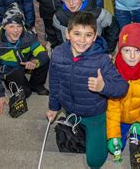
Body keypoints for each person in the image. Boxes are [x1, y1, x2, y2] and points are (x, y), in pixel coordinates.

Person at [46, 12, 129, 168]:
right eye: (77, 33)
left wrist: (103, 87)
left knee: (94, 162)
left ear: (95, 36)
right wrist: (53, 107)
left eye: (88, 35)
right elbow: (55, 82)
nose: (82, 40)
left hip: (94, 115)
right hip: (69, 110)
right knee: (69, 145)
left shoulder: (102, 60)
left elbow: (122, 87)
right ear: (67, 34)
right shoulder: (57, 53)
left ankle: (102, 132)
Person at [0, 3, 50, 115]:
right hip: (10, 69)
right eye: (11, 26)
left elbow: (42, 53)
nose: (16, 30)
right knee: (26, 93)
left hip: (25, 62)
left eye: (19, 26)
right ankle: (15, 82)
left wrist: (35, 61)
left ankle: (37, 84)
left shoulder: (29, 36)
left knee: (44, 60)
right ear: (4, 26)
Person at [106, 23, 140, 154]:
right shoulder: (112, 70)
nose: (132, 56)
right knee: (116, 149)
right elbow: (112, 106)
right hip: (120, 119)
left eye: (137, 50)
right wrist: (113, 134)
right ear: (119, 49)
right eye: (126, 50)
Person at [53, 0, 119, 53]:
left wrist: (108, 51)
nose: (71, 3)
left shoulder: (98, 14)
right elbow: (59, 38)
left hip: (95, 54)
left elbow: (113, 28)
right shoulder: (59, 17)